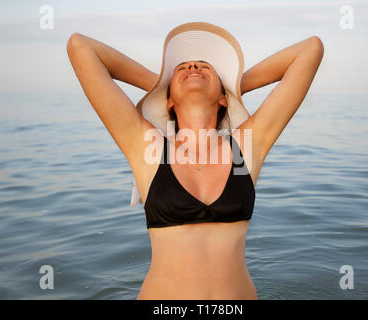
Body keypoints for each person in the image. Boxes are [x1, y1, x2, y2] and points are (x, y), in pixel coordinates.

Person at [67, 22, 323, 300]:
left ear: (224, 99)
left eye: (204, 66)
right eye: (181, 68)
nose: (192, 68)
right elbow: (80, 47)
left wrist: (234, 84)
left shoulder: (247, 146)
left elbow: (311, 50)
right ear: (168, 102)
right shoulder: (146, 146)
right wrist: (158, 83)